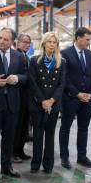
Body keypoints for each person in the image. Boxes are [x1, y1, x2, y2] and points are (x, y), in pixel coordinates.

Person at [0, 27, 28, 182]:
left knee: (9, 138)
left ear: (12, 42)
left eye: (5, 39)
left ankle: (7, 167)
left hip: (12, 104)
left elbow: (26, 76)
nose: (1, 41)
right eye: (0, 37)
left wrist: (18, 79)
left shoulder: (19, 57)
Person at [28, 32, 66, 173]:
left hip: (53, 105)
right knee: (37, 135)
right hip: (38, 105)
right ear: (44, 43)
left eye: (54, 42)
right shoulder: (35, 60)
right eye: (49, 42)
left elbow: (62, 84)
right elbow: (32, 83)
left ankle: (48, 164)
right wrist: (43, 101)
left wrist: (51, 101)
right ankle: (35, 163)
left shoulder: (62, 62)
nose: (52, 44)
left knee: (50, 135)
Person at [59, 27, 91, 169]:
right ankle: (64, 157)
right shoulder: (65, 54)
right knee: (65, 128)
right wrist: (77, 94)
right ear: (78, 38)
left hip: (87, 99)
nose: (89, 42)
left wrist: (90, 94)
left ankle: (82, 156)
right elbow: (65, 77)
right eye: (87, 39)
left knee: (83, 128)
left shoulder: (90, 54)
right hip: (70, 98)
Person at [13, 33, 32, 163]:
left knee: (24, 127)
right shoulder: (16, 56)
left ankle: (20, 150)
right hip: (18, 97)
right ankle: (13, 152)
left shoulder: (27, 57)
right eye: (24, 42)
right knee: (16, 128)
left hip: (27, 98)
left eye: (28, 42)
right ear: (18, 43)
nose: (27, 44)